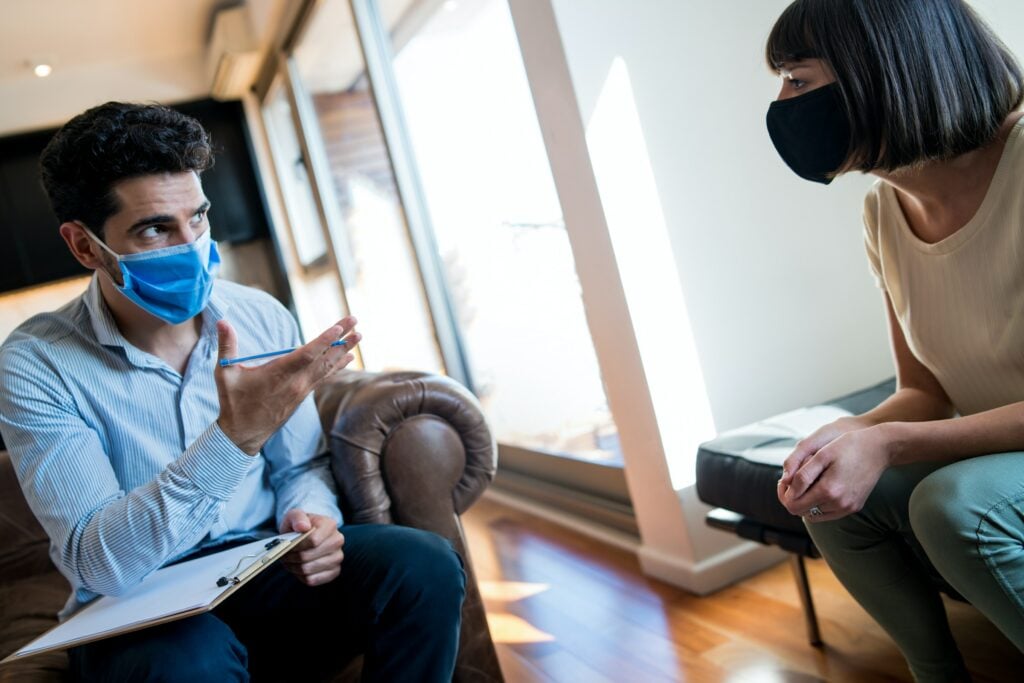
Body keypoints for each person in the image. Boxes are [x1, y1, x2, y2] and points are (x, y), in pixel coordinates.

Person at [0, 102, 465, 682]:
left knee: (423, 565)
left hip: (263, 565)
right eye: (154, 229)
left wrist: (312, 519)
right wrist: (232, 439)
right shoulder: (36, 362)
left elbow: (303, 464)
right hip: (139, 609)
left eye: (197, 218)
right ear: (86, 246)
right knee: (185, 661)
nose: (190, 244)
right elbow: (101, 563)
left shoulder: (261, 317)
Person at [764, 1, 1024, 681]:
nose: (782, 105)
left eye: (797, 80)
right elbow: (925, 393)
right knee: (832, 493)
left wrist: (886, 442)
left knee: (952, 507)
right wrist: (844, 439)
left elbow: (915, 431)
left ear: (881, 71)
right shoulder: (882, 211)